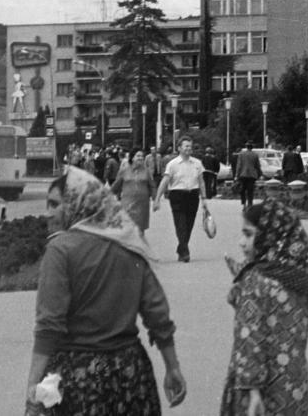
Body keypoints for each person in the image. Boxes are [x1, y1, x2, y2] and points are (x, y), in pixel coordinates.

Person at [26, 167, 186, 415]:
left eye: (55, 204)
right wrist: (172, 367)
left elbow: (49, 325)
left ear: (77, 204)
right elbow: (157, 314)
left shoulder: (60, 250)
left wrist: (33, 386)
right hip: (131, 375)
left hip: (78, 376)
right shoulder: (128, 244)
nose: (48, 213)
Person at [220, 199, 308, 415]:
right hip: (293, 385)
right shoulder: (297, 278)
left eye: (248, 234)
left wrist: (252, 390)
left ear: (270, 237)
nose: (241, 242)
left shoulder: (254, 281)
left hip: (258, 391)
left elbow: (250, 338)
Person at [151, 135, 209, 263]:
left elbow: (201, 182)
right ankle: (185, 252)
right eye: (186, 146)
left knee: (189, 224)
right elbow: (165, 181)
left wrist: (204, 198)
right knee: (180, 224)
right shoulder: (172, 164)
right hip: (177, 195)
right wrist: (157, 199)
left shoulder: (197, 163)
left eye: (190, 146)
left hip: (193, 195)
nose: (189, 148)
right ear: (179, 148)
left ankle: (181, 248)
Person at [112, 149, 157, 236]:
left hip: (142, 205)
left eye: (142, 156)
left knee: (140, 229)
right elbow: (116, 185)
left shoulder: (146, 171)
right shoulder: (124, 170)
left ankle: (139, 244)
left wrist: (156, 200)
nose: (141, 158)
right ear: (132, 158)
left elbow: (152, 186)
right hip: (128, 204)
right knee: (127, 227)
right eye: (138, 156)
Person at [233, 141, 262, 208]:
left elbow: (239, 165)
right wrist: (260, 173)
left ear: (246, 147)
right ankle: (250, 204)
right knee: (250, 190)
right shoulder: (255, 155)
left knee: (242, 190)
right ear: (252, 147)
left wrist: (236, 175)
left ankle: (244, 203)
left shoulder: (241, 154)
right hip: (252, 175)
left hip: (243, 174)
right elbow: (257, 166)